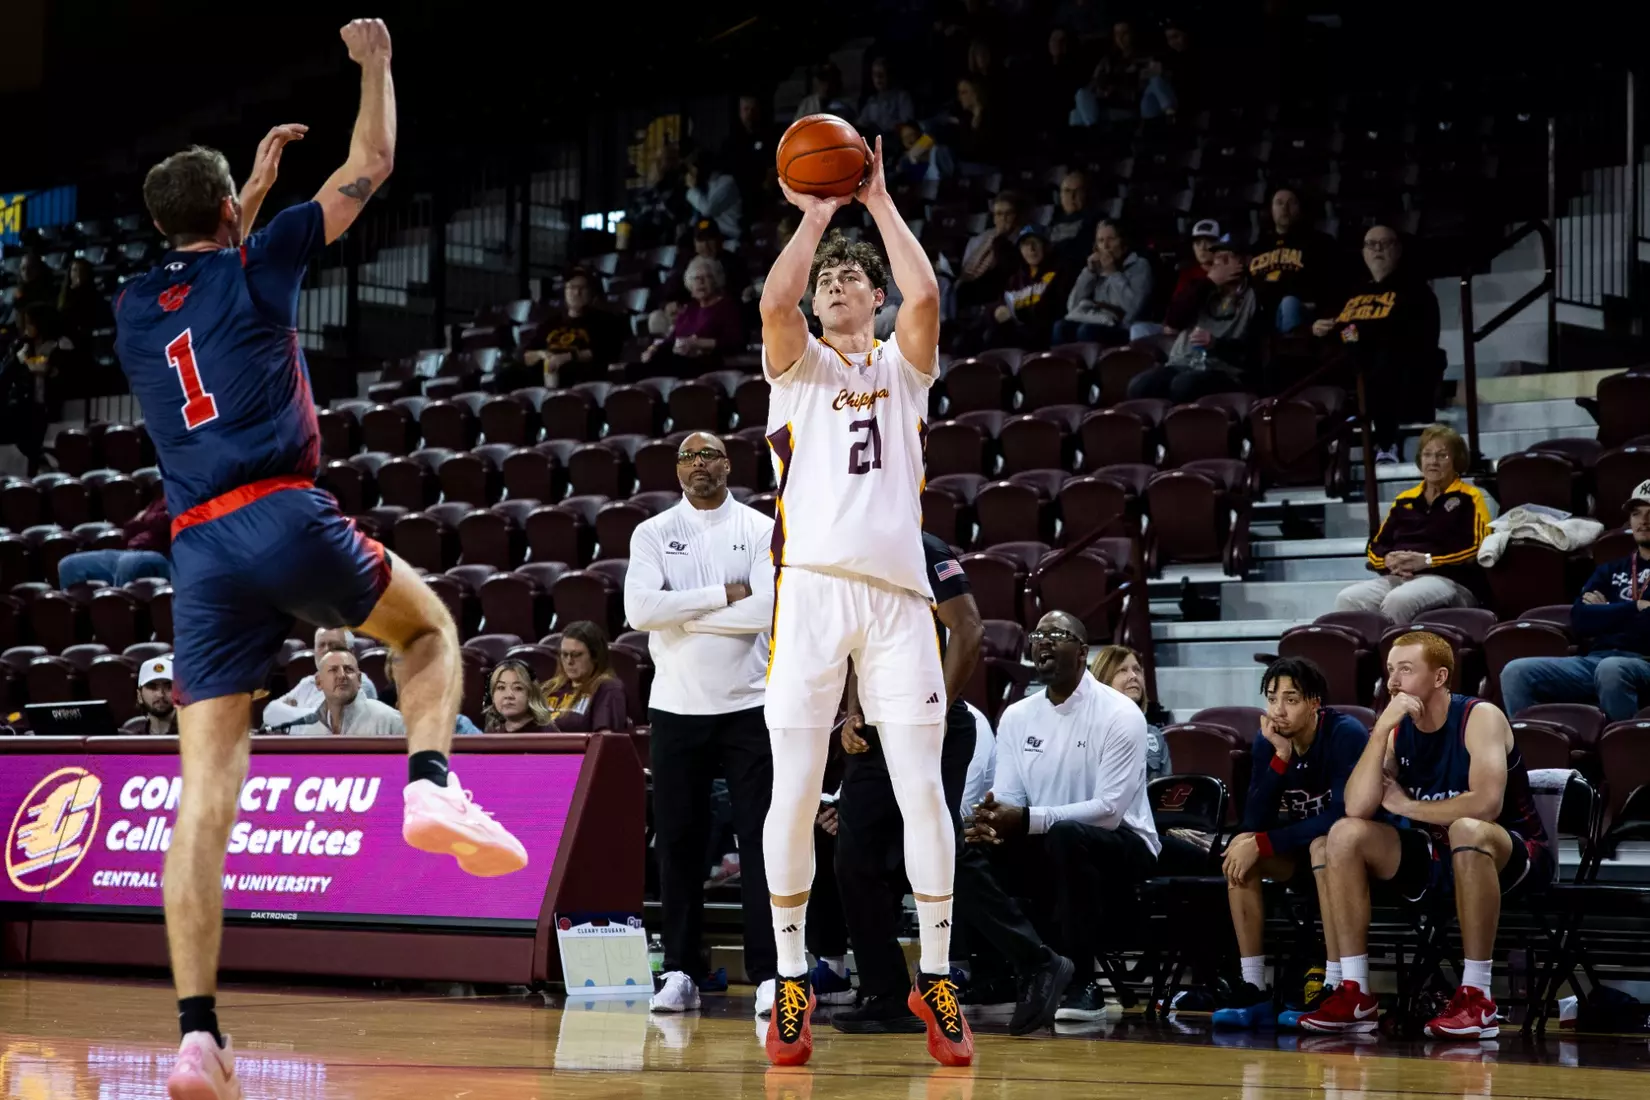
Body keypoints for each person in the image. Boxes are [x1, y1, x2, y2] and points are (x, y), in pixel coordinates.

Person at [111, 22, 525, 1098]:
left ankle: (196, 1037)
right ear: (230, 215)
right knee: (428, 631)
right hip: (279, 511)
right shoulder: (260, 263)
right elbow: (370, 162)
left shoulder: (130, 309)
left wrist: (239, 195)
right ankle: (428, 783)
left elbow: (198, 271)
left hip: (198, 553)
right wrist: (375, 66)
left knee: (204, 796)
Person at [757, 135, 969, 1066]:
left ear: (874, 297)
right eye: (827, 281)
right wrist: (813, 219)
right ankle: (791, 979)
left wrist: (876, 201)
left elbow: (927, 298)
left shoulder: (903, 368)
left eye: (853, 278)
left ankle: (939, 979)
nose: (837, 285)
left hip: (897, 602)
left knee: (923, 789)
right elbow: (773, 302)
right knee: (796, 789)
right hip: (809, 592)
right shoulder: (797, 365)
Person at [834, 533, 1076, 1037]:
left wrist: (937, 709)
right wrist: (854, 711)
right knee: (854, 861)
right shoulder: (850, 550)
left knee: (940, 855)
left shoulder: (926, 549)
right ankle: (884, 993)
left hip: (931, 722)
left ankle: (1037, 961)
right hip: (876, 728)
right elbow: (857, 647)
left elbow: (968, 629)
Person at [1301, 632, 1551, 1038]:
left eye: (1405, 669)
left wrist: (1409, 807)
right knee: (1343, 834)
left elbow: (1486, 804)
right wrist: (1380, 730)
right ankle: (1356, 992)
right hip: (1437, 853)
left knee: (1467, 829)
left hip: (1511, 851)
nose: (1393, 681)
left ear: (1439, 677)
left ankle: (1478, 997)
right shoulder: (1397, 729)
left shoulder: (1480, 716)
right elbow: (1357, 807)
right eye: (1389, 670)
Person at [621, 431, 780, 1019]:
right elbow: (640, 611)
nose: (699, 465)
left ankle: (770, 974)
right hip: (676, 707)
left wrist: (684, 616)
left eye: (709, 455)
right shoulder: (652, 532)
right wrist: (721, 595)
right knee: (679, 844)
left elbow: (766, 609)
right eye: (688, 458)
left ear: (727, 465)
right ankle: (681, 971)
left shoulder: (760, 528)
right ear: (678, 470)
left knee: (761, 844)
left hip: (749, 705)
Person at [972, 611, 1160, 1022]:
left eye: (1056, 635)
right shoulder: (1017, 716)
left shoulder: (1120, 713)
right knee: (972, 846)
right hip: (1050, 840)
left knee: (1067, 836)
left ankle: (1083, 984)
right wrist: (992, 818)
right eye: (1038, 635)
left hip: (1125, 844)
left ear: (1082, 652)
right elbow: (1009, 796)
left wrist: (1027, 819)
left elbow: (1109, 811)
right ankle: (1004, 973)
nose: (1043, 642)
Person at [1210, 658, 1368, 1030]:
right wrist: (1280, 757)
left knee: (1322, 845)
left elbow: (1342, 814)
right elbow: (1254, 820)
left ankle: (1334, 983)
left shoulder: (1345, 733)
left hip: (1351, 858)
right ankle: (1253, 984)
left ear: (1315, 703)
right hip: (1300, 853)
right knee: (1242, 847)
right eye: (1271, 699)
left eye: (1291, 699)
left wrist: (1266, 842)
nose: (1278, 710)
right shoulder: (1271, 742)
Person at [1500, 480, 1650, 722]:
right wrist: (1635, 607)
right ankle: (1535, 744)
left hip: (1643, 662)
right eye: (1636, 514)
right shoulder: (1610, 570)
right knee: (1515, 672)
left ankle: (1623, 745)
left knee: (1612, 669)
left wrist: (1607, 611)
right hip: (1595, 660)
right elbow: (1580, 619)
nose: (1643, 521)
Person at [1334, 424, 1490, 623]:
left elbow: (1476, 547)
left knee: (1398, 601)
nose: (1433, 462)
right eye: (1427, 455)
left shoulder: (1470, 497)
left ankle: (1397, 644)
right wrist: (1388, 560)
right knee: (1348, 599)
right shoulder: (1404, 499)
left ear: (1456, 460)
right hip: (1400, 577)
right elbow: (1376, 546)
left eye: (1442, 456)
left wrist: (1428, 560)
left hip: (1450, 580)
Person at [1312, 224, 1442, 464]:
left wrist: (1358, 333)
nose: (1378, 249)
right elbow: (1340, 327)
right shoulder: (1352, 292)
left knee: (1384, 360)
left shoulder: (1416, 291)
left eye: (1385, 243)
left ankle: (1386, 444)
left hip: (1395, 363)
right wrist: (1319, 328)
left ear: (1398, 250)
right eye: (1371, 244)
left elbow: (1413, 336)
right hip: (1351, 357)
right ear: (1363, 253)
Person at [1126, 237, 1265, 401]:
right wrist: (1209, 282)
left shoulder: (1255, 295)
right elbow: (1173, 321)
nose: (1220, 262)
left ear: (1245, 261)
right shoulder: (1200, 287)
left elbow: (1251, 352)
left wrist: (1216, 344)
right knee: (1139, 386)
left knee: (1183, 385)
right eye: (1217, 257)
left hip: (1223, 369)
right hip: (1183, 361)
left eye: (1229, 257)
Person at [1054, 218, 1155, 346]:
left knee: (1086, 331)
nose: (1106, 246)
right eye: (1101, 241)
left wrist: (1113, 273)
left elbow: (1132, 311)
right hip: (1097, 319)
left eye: (1111, 239)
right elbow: (1072, 306)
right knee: (1060, 328)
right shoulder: (1097, 269)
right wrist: (1089, 273)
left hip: (1124, 327)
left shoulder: (1139, 265)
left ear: (1124, 243)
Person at [1249, 188, 1335, 335]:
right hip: (1264, 312)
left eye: (1291, 203)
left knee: (1289, 303)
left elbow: (1330, 282)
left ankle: (1292, 347)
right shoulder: (1258, 247)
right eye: (1279, 203)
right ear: (1270, 210)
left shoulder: (1320, 242)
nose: (1285, 208)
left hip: (1303, 312)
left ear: (1300, 208)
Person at [521, 269, 625, 387]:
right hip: (546, 371)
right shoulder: (550, 323)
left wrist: (567, 357)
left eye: (582, 288)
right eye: (571, 287)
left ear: (592, 292)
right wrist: (541, 354)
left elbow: (605, 352)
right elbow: (526, 355)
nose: (576, 292)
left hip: (581, 374)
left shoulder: (605, 320)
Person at [261, 628, 381, 729]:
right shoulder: (308, 683)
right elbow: (269, 712)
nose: (326, 650)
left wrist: (289, 713)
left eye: (334, 645)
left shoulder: (360, 683)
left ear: (351, 652)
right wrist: (311, 715)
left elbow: (330, 722)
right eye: (321, 645)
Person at [640, 256, 744, 371]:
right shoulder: (690, 308)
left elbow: (736, 342)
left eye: (707, 277)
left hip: (708, 362)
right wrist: (653, 349)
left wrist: (698, 343)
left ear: (716, 281)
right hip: (681, 361)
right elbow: (672, 339)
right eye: (696, 278)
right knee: (636, 368)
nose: (701, 282)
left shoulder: (727, 306)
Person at [1088, 645, 1170, 779]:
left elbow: (1164, 788)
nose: (1133, 676)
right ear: (1103, 679)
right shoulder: (1085, 733)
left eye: (1137, 670)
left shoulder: (1153, 735)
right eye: (1122, 670)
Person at [56, 495, 173, 588]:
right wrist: (146, 519)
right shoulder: (162, 499)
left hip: (166, 556)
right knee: (70, 565)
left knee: (130, 562)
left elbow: (167, 522)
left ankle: (122, 609)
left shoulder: (183, 495)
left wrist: (146, 517)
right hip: (131, 551)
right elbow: (131, 527)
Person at [282, 649, 405, 737]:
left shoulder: (390, 721)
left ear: (359, 680)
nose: (342, 675)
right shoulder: (308, 729)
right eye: (333, 670)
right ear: (319, 682)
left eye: (349, 669)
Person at [543, 620, 630, 732]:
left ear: (595, 656)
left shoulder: (608, 689)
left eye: (576, 655)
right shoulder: (550, 688)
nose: (569, 661)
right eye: (564, 654)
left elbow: (605, 738)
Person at [481, 658, 553, 732]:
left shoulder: (547, 732)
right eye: (501, 687)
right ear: (492, 696)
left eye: (518, 688)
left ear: (531, 694)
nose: (508, 695)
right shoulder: (492, 731)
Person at [125, 655, 180, 736]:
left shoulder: (194, 734)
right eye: (152, 687)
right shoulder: (135, 739)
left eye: (168, 687)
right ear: (139, 696)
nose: (160, 694)